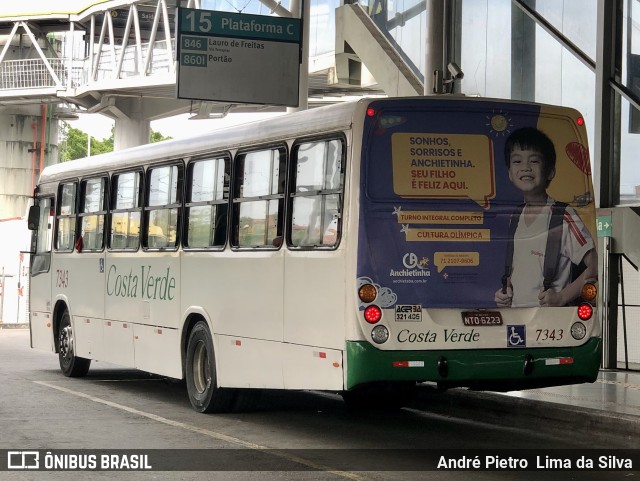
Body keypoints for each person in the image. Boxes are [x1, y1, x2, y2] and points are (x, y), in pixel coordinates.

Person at [495, 127, 597, 308]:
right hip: (517, 320)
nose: (525, 167)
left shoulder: (563, 215)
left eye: (534, 161)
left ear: (550, 172)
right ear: (510, 173)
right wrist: (506, 291)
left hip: (551, 324)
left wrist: (562, 297)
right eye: (517, 161)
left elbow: (595, 265)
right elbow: (519, 269)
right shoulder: (515, 216)